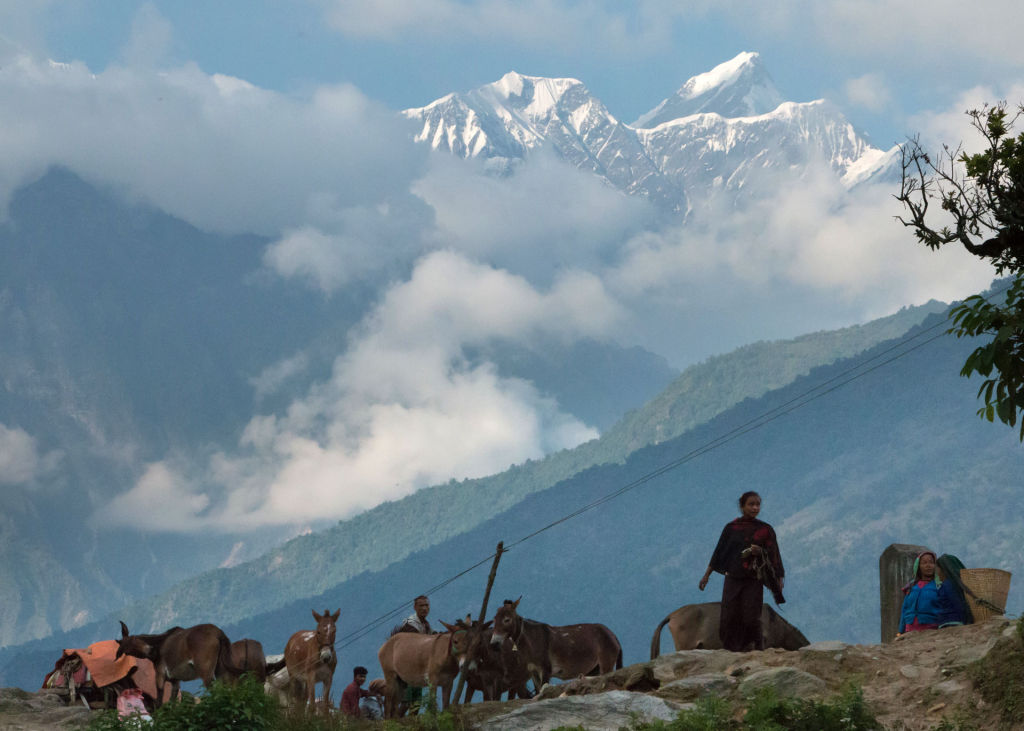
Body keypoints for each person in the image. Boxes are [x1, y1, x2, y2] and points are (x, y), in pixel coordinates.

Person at [698, 491, 785, 652]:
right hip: (732, 578)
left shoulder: (765, 530)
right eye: (751, 504)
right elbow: (719, 552)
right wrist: (706, 575)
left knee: (751, 617)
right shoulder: (731, 528)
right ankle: (731, 650)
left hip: (754, 580)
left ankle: (757, 648)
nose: (755, 508)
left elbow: (774, 555)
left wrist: (778, 577)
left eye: (758, 504)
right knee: (729, 617)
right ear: (742, 506)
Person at [897, 550, 967, 636]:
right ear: (918, 566)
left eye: (931, 562)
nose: (928, 566)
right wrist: (900, 631)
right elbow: (905, 609)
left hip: (932, 630)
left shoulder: (939, 586)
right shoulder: (911, 586)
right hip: (910, 630)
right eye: (924, 563)